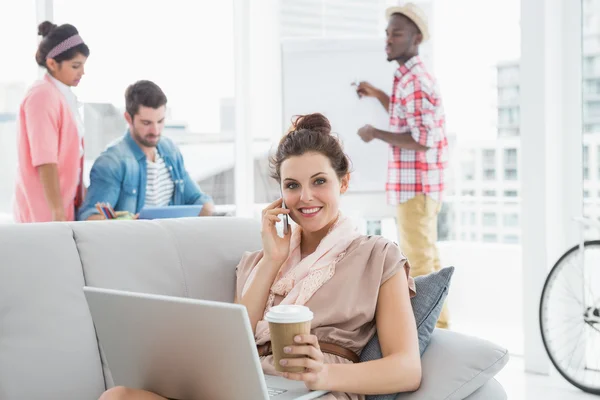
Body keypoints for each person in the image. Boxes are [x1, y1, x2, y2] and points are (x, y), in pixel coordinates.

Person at [98, 113, 421, 400]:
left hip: (320, 391)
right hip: (249, 388)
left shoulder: (378, 256)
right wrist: (272, 260)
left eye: (319, 181)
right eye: (292, 185)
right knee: (119, 396)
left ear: (344, 182)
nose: (305, 197)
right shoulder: (257, 262)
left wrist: (323, 373)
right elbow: (230, 346)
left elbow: (407, 368)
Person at [354, 2, 449, 328]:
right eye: (387, 33)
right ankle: (444, 331)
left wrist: (374, 133)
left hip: (417, 187)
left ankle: (435, 338)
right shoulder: (409, 78)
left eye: (397, 33)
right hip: (421, 186)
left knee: (421, 264)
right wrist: (378, 94)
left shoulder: (417, 80)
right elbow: (405, 113)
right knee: (429, 261)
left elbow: (422, 137)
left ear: (416, 37)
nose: (388, 39)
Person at [77, 80, 214, 221]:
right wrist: (124, 223)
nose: (155, 131)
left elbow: (199, 200)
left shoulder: (170, 151)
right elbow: (90, 217)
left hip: (172, 239)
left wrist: (207, 209)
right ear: (128, 118)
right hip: (135, 241)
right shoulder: (112, 162)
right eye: (146, 123)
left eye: (160, 121)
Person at [14, 21, 90, 222]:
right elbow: (44, 159)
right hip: (45, 214)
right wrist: (57, 213)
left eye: (83, 65)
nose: (82, 72)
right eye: (76, 66)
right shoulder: (42, 96)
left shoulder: (62, 97)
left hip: (61, 210)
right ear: (52, 64)